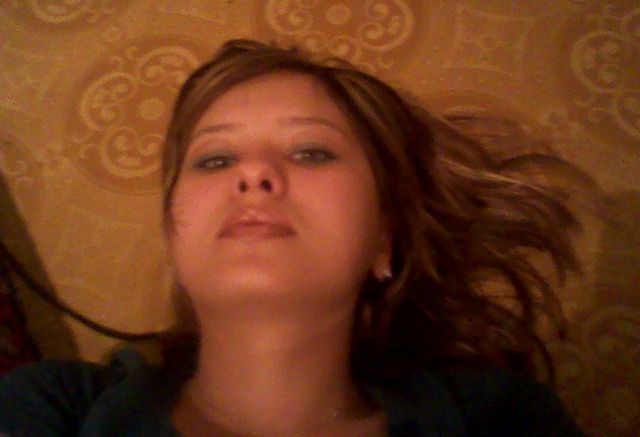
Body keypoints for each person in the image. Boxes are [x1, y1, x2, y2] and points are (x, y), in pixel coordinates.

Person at [0, 39, 585, 436]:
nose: (252, 173)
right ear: (174, 236)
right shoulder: (55, 407)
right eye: (214, 159)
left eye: (310, 151)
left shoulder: (500, 417)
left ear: (383, 239)